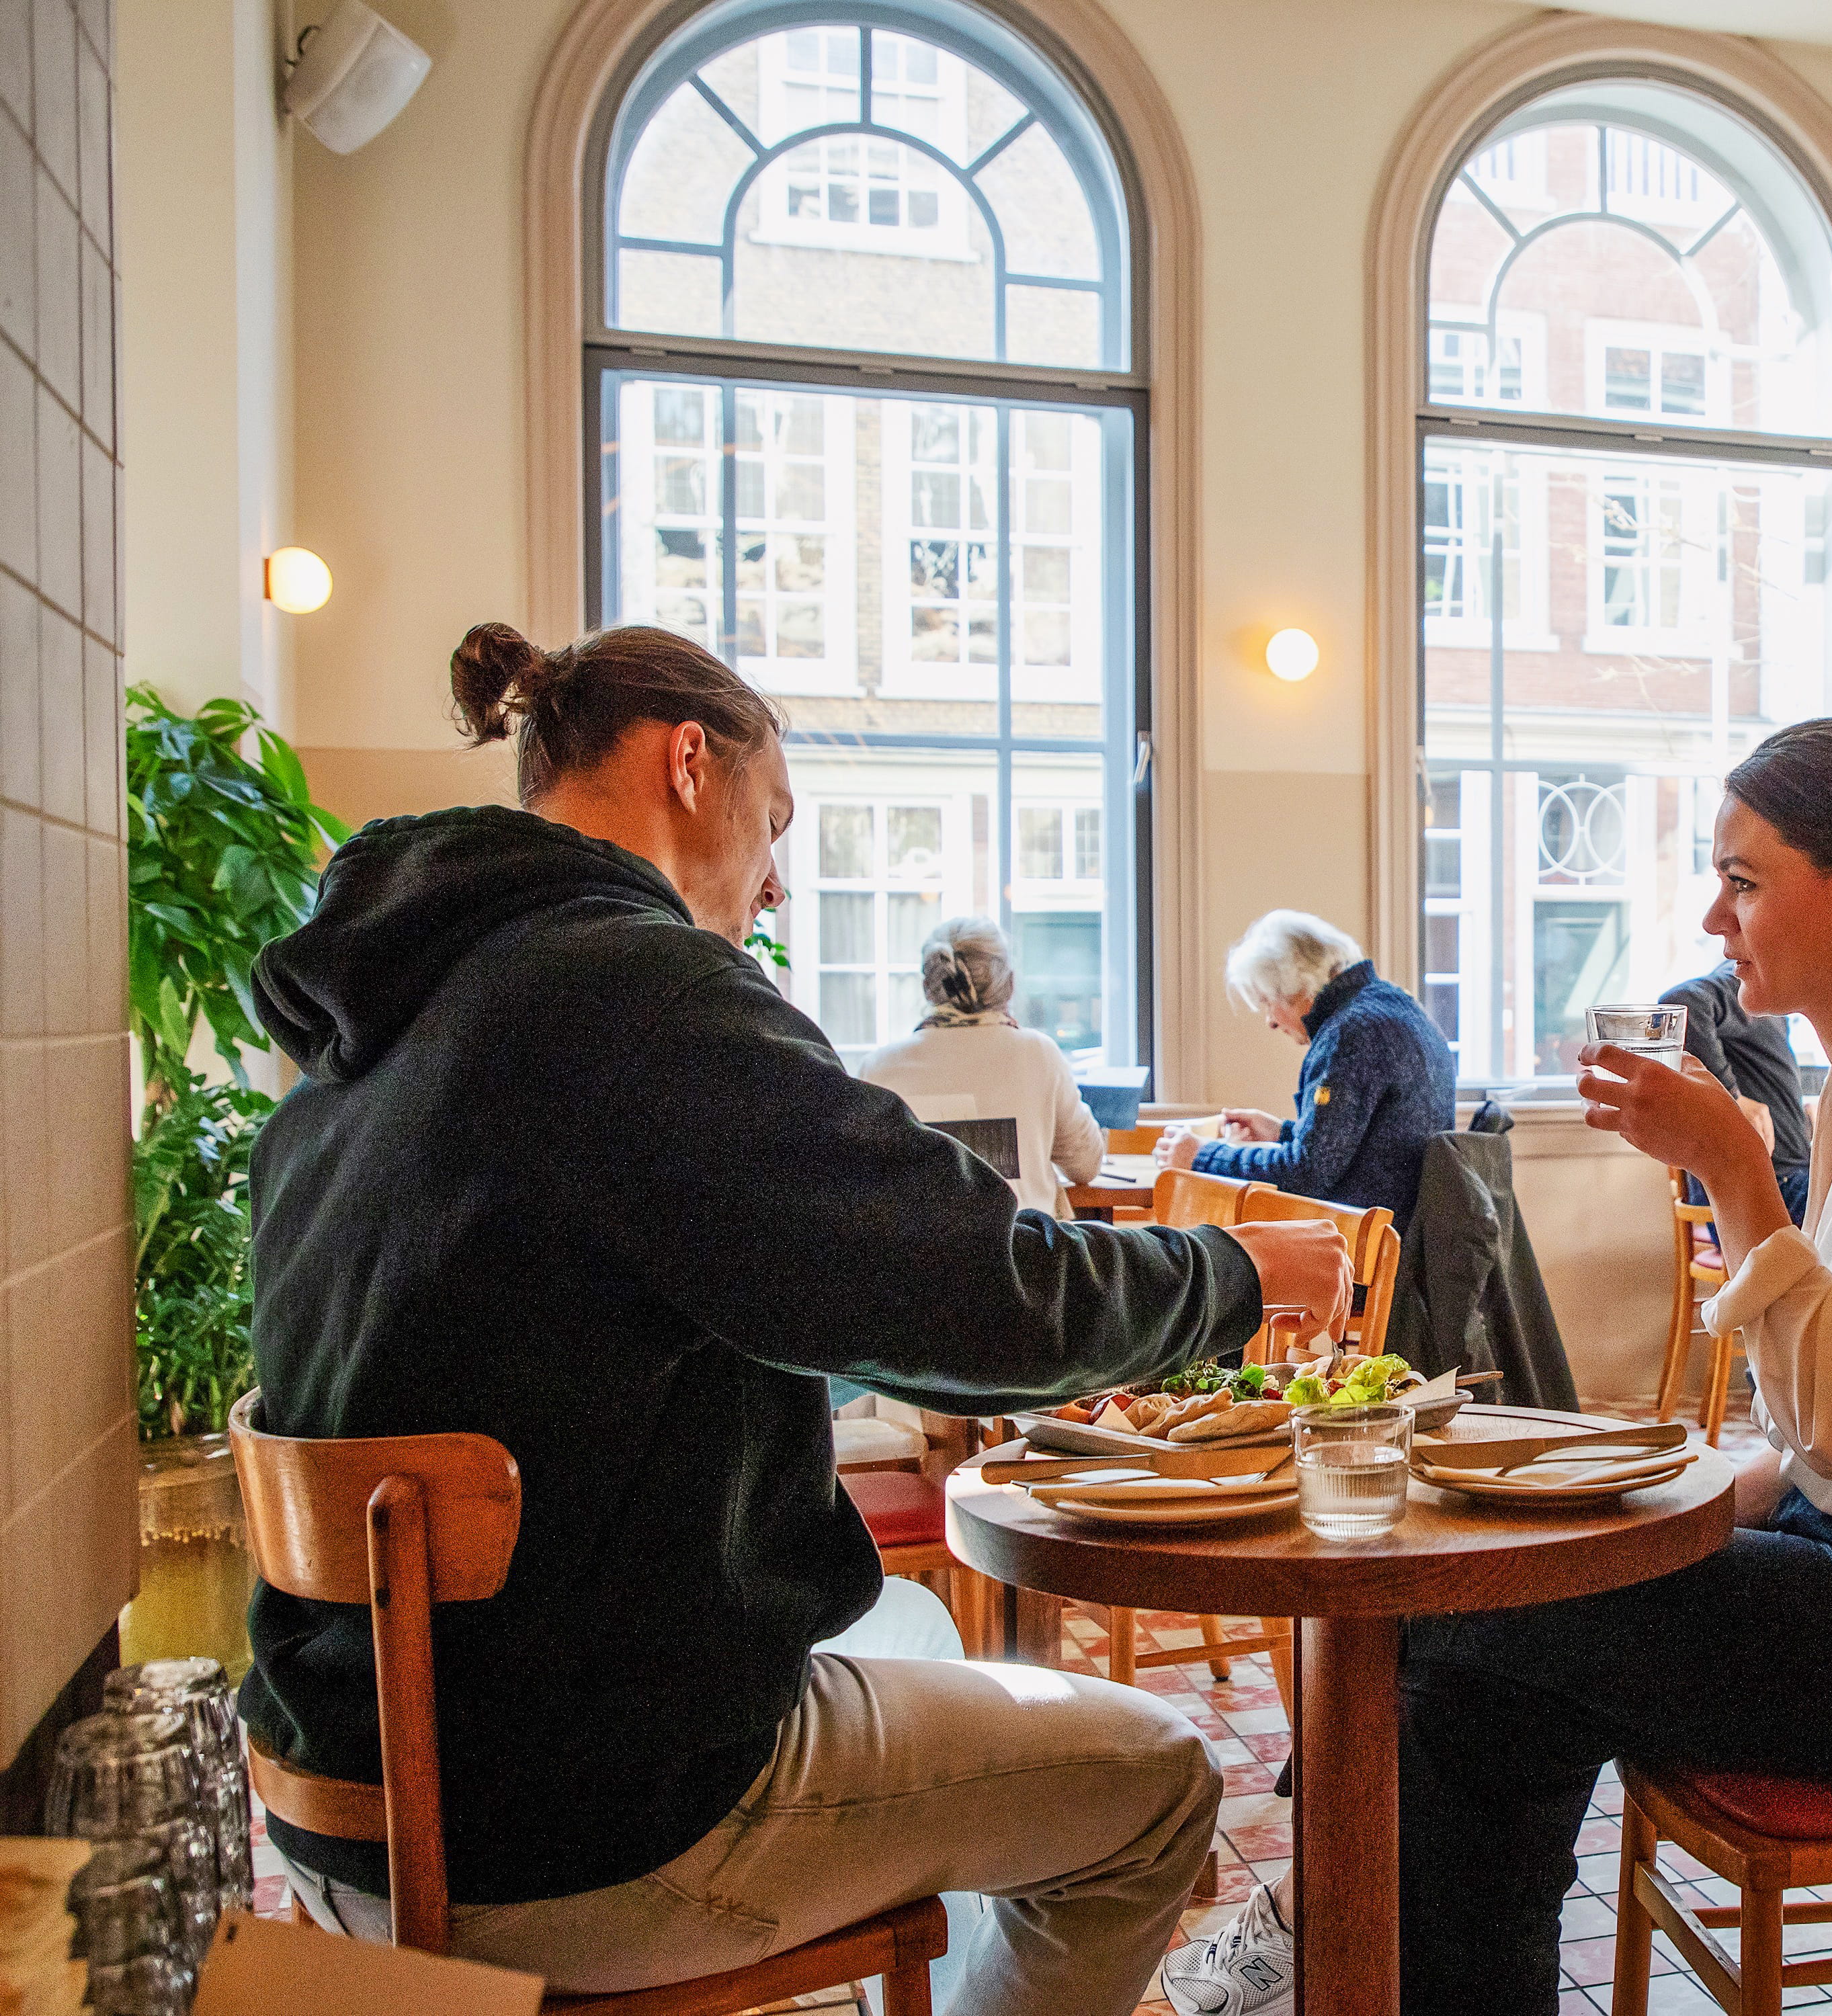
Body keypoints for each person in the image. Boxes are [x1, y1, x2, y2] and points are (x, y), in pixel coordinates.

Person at [243, 622, 1352, 2016]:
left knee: (916, 1637)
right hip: (592, 1826)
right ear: (688, 764)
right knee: (1158, 1782)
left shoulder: (379, 1023)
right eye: (776, 824)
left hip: (349, 1811)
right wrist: (1242, 1281)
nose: (774, 880)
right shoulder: (630, 991)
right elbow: (973, 1286)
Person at [1161, 720, 1832, 2016]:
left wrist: (1734, 1172)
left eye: (1744, 881)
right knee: (1484, 1656)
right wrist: (1628, 1503)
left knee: (1470, 1613)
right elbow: (1830, 1434)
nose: (1715, 916)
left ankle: (1313, 1920)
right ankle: (1339, 1932)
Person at [1155, 909, 1456, 1229]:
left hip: (1363, 1253)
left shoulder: (1350, 1034)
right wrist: (1282, 1133)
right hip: (1407, 1236)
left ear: (1298, 989)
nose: (1270, 1021)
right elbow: (1359, 1147)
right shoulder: (1394, 1004)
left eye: (1268, 1001)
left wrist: (1202, 1157)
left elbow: (1306, 1174)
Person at [859, 915, 1106, 1217]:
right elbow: (1085, 1166)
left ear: (927, 987)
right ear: (1011, 985)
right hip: (1021, 1254)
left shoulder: (878, 1069)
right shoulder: (1038, 1054)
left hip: (917, 1258)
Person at [1659, 959, 1812, 1223]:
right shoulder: (1742, 986)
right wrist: (1731, 1098)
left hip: (1783, 1179)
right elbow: (1680, 1003)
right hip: (1769, 1186)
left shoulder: (1767, 1006)